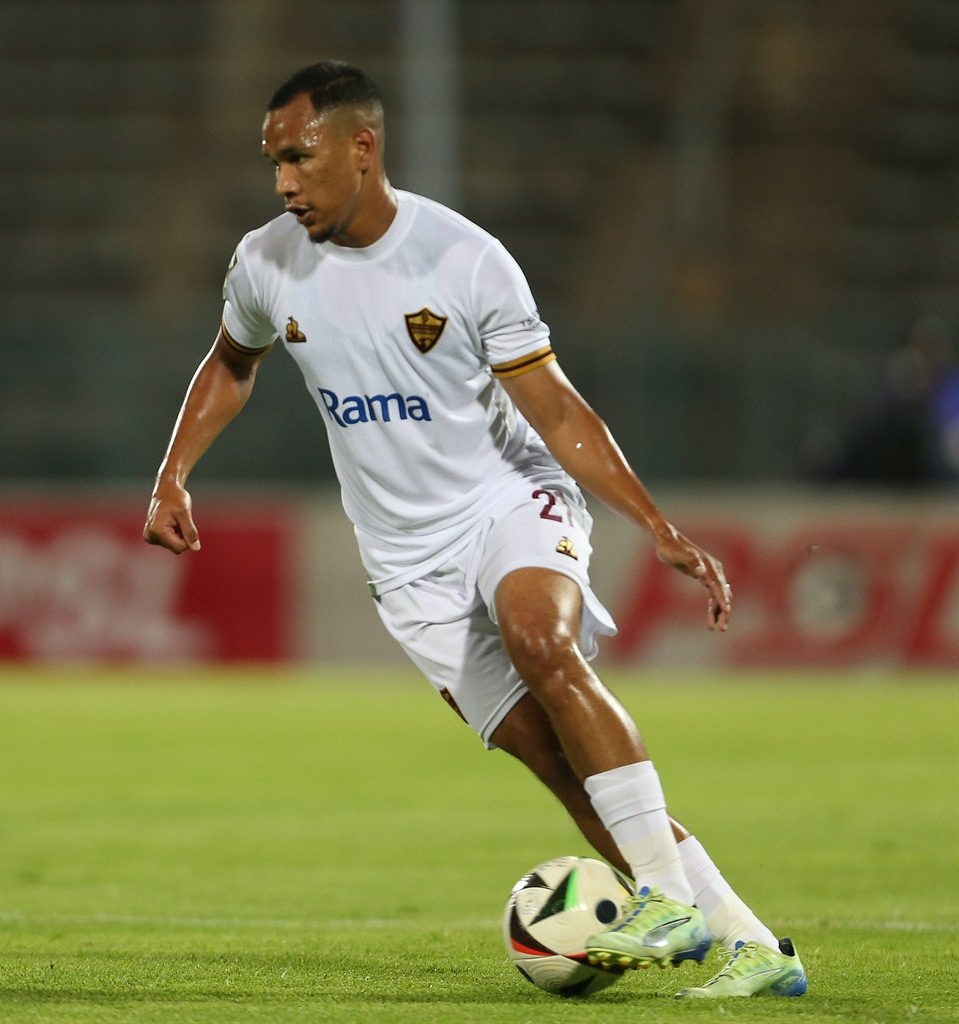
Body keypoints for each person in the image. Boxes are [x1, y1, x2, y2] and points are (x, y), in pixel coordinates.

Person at [143, 61, 806, 999]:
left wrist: (653, 522)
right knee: (560, 765)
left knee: (544, 637)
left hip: (507, 500)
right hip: (406, 565)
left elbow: (559, 412)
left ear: (361, 148)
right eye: (273, 165)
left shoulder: (463, 259)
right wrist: (173, 474)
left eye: (299, 157)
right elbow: (229, 364)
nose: (285, 182)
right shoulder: (265, 263)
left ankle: (664, 898)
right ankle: (754, 950)